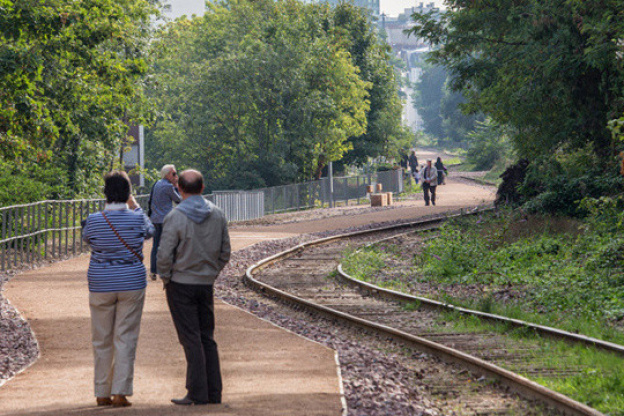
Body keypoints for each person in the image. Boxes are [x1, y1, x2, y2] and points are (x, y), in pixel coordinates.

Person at [157, 169, 231, 406]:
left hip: (180, 284)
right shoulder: (218, 214)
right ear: (202, 187)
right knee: (207, 337)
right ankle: (214, 392)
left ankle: (197, 393)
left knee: (190, 338)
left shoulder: (175, 217)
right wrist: (212, 272)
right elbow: (225, 251)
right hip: (205, 284)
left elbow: (164, 255)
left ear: (179, 189)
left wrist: (167, 278)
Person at [82, 171, 155, 408]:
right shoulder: (136, 218)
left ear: (104, 193)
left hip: (101, 283)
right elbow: (150, 230)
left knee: (101, 338)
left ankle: (101, 391)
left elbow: (88, 240)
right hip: (131, 284)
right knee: (126, 338)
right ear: (128, 194)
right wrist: (135, 206)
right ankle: (121, 392)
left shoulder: (93, 220)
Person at [149, 164, 181, 281]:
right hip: (166, 220)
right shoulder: (168, 187)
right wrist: (176, 186)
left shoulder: (156, 184)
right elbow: (179, 200)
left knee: (156, 245)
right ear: (167, 174)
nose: (176, 176)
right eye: (174, 174)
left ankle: (153, 271)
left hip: (155, 219)